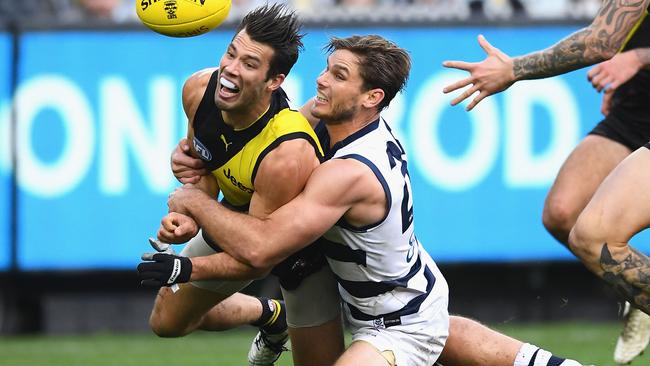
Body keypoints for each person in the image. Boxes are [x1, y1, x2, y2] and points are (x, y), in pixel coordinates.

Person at [142, 34, 586, 366]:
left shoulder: (349, 172)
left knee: (428, 328)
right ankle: (269, 315)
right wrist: (200, 158)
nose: (320, 80)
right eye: (327, 68)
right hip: (388, 289)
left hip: (395, 319)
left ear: (372, 98)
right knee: (166, 322)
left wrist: (192, 220)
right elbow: (263, 144)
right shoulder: (331, 123)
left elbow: (262, 248)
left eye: (338, 75)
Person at [442, 0, 650, 363]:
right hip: (639, 97)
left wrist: (513, 69)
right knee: (563, 212)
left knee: (597, 237)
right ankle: (641, 294)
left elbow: (601, 42)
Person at [138, 4, 345, 366]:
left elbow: (258, 256)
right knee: (165, 323)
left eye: (249, 64)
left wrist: (184, 266)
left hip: (300, 251)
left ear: (274, 81)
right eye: (231, 53)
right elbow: (203, 167)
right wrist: (188, 215)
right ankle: (270, 315)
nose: (230, 70)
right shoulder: (199, 89)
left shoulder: (286, 153)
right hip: (240, 219)